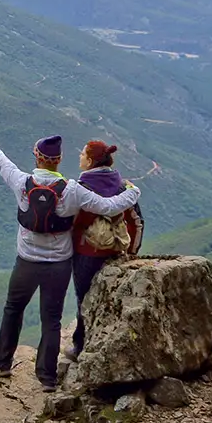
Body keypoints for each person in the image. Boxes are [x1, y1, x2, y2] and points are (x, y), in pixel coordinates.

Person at [0, 134, 141, 390]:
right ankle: (47, 378)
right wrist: (133, 191)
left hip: (27, 261)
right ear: (59, 159)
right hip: (59, 265)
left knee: (13, 309)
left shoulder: (22, 183)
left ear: (37, 157)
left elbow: (3, 164)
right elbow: (110, 207)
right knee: (51, 319)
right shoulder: (73, 191)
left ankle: (2, 363)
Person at [67, 139, 144, 361]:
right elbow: (136, 221)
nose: (80, 156)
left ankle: (81, 346)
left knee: (84, 298)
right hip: (115, 251)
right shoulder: (123, 187)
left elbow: (73, 223)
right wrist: (131, 251)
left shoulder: (82, 189)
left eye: (82, 153)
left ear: (90, 161)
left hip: (86, 254)